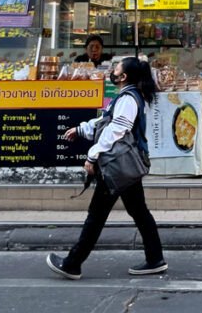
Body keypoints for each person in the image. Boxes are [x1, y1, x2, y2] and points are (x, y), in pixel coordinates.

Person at [46, 57, 166, 280]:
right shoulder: (125, 97)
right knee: (139, 212)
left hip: (116, 167)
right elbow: (105, 121)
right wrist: (81, 129)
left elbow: (117, 129)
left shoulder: (128, 98)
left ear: (124, 76)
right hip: (124, 168)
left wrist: (93, 155)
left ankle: (72, 263)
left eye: (116, 69)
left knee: (97, 216)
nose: (112, 71)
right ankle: (155, 258)